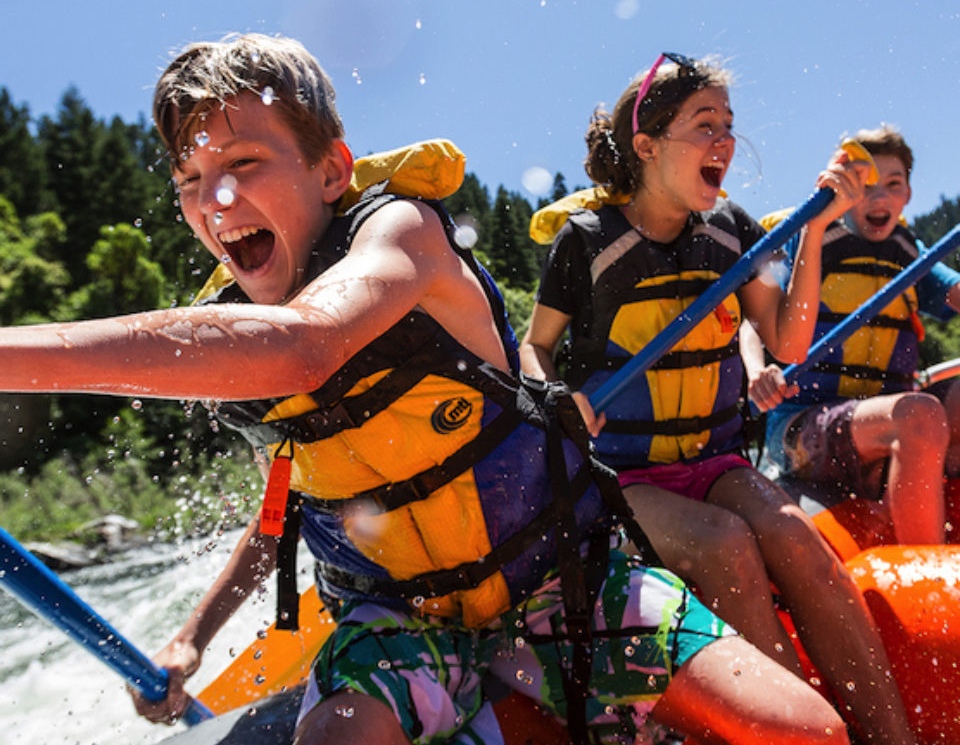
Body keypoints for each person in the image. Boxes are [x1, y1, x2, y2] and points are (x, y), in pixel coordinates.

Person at [0, 34, 853, 745]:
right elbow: (282, 512)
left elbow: (306, 347)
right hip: (400, 621)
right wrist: (191, 638)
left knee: (804, 731)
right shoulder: (236, 339)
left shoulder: (400, 234)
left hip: (560, 580)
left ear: (333, 171)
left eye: (245, 162)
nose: (215, 200)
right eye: (190, 181)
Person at [519, 53, 915, 744]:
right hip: (619, 477)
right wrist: (554, 397)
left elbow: (787, 343)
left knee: (797, 538)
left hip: (715, 460)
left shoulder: (732, 230)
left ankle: (891, 735)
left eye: (729, 126)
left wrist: (817, 229)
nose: (726, 142)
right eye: (706, 126)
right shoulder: (587, 244)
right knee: (726, 544)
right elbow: (535, 347)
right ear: (646, 145)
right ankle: (809, 732)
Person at [746, 125, 960, 545]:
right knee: (919, 415)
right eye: (865, 186)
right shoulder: (809, 240)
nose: (879, 198)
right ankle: (925, 577)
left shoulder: (911, 255)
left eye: (893, 185)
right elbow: (755, 320)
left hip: (884, 420)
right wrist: (759, 370)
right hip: (802, 427)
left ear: (908, 195)